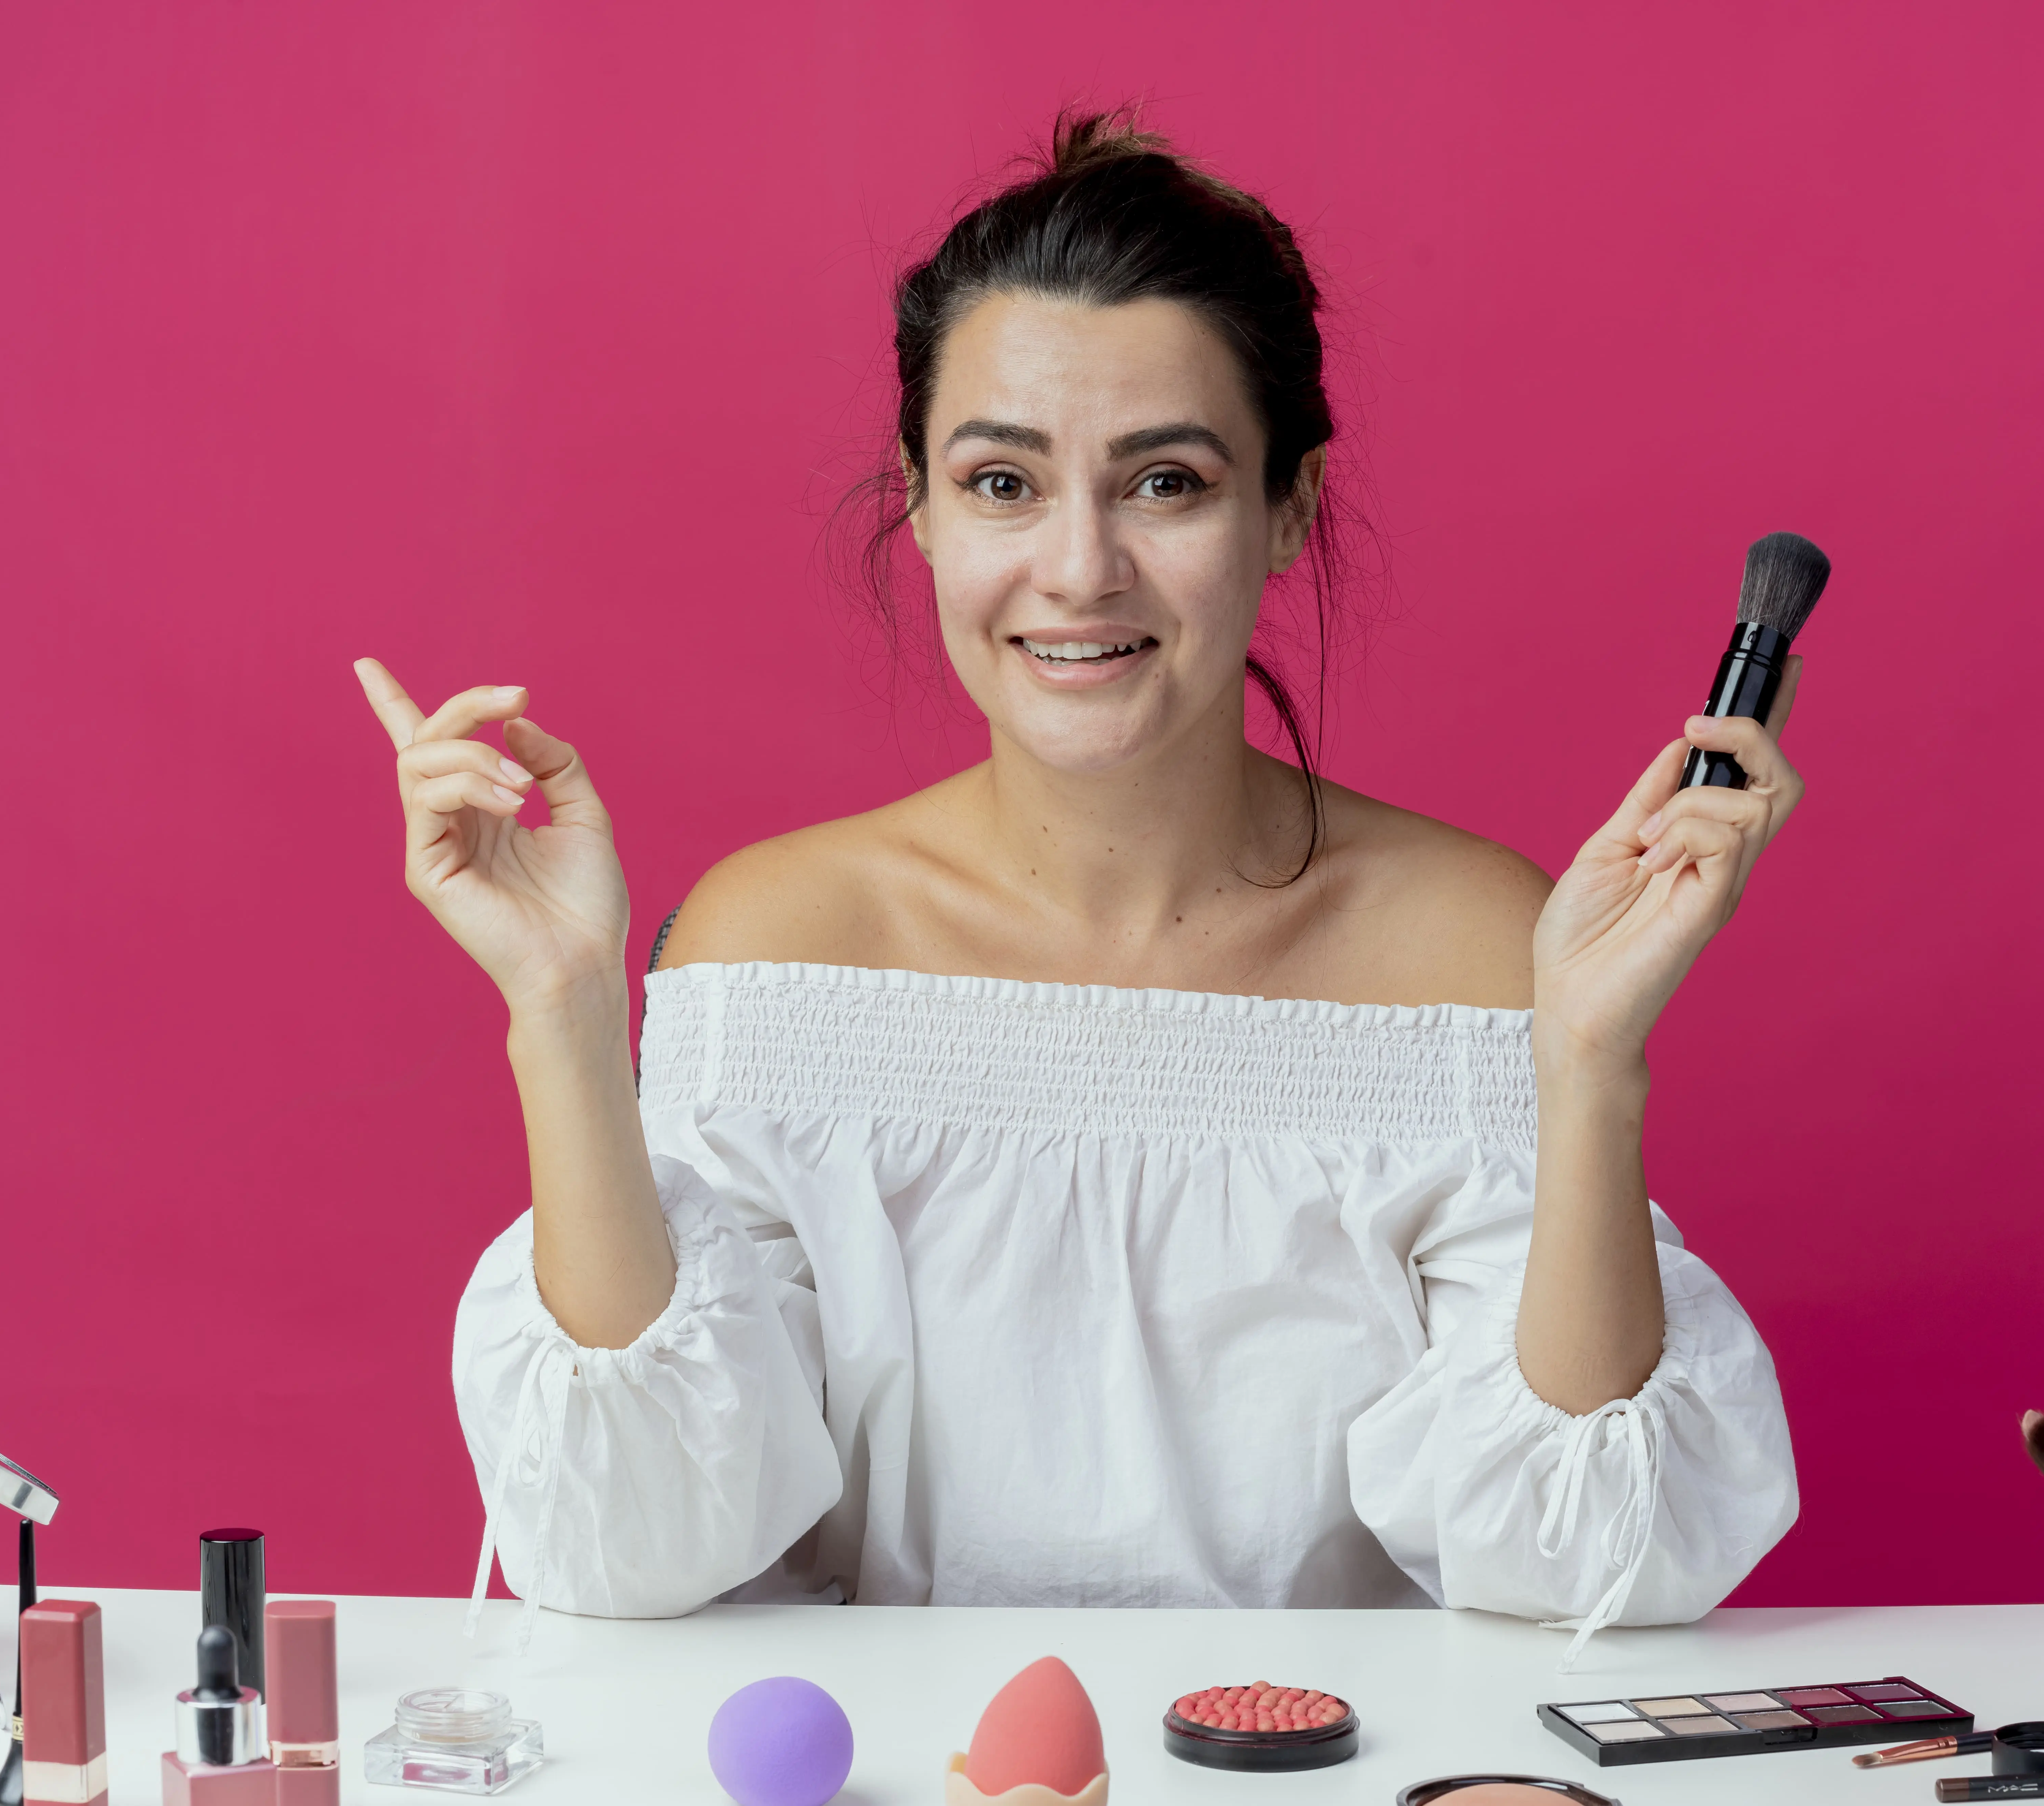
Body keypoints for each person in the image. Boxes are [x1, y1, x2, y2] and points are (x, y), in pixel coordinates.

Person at [354, 113, 1799, 1653]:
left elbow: (1582, 1566)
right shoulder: (780, 942)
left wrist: (1588, 1063)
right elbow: (632, 1543)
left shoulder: (1466, 940)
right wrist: (565, 1014)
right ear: (915, 506)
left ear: (1288, 505)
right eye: (1002, 484)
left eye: (1165, 482)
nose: (1080, 567)